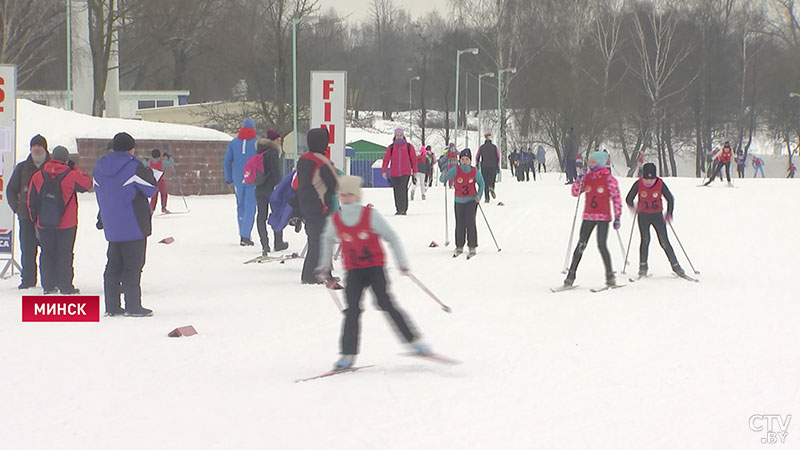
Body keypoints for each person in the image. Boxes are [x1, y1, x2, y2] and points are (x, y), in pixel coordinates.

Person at [316, 175, 430, 370]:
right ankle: (347, 354)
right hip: (353, 272)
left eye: (350, 194)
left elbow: (391, 236)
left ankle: (415, 343)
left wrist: (402, 262)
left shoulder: (370, 215)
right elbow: (326, 239)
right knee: (352, 311)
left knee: (385, 303)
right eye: (342, 195)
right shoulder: (336, 218)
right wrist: (324, 266)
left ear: (357, 195)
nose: (345, 198)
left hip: (375, 268)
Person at [94, 132, 158, 317]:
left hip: (112, 223)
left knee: (113, 264)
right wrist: (148, 171)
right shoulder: (133, 166)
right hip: (133, 224)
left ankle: (112, 305)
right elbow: (151, 189)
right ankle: (133, 306)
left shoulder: (100, 166)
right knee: (133, 265)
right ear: (131, 148)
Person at [26, 146, 92, 294]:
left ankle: (48, 285)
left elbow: (31, 200)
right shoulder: (71, 175)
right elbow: (87, 184)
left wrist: (35, 220)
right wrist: (74, 167)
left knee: (47, 252)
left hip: (44, 222)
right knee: (65, 253)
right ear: (66, 159)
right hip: (67, 223)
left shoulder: (38, 175)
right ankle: (65, 285)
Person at [562, 151, 622, 288]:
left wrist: (617, 216)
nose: (590, 164)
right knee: (581, 245)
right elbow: (575, 192)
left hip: (603, 217)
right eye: (589, 161)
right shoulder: (587, 177)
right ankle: (570, 276)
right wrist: (579, 178)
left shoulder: (609, 179)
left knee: (602, 245)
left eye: (593, 162)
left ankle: (610, 276)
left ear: (600, 163)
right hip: (588, 216)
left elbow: (616, 199)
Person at [624, 162, 685, 278]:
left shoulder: (660, 184)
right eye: (646, 178)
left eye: (651, 179)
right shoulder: (638, 184)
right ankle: (643, 267)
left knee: (664, 242)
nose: (649, 181)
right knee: (645, 240)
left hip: (657, 216)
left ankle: (676, 266)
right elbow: (628, 198)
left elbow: (670, 199)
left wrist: (669, 213)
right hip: (643, 216)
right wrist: (634, 207)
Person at [6, 134, 50, 289]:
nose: (36, 149)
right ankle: (28, 280)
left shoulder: (52, 166)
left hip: (48, 217)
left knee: (49, 250)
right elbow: (11, 190)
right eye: (34, 146)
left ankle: (49, 281)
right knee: (28, 249)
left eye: (39, 146)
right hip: (26, 216)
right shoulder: (22, 168)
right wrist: (17, 208)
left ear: (45, 148)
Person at [297, 128, 339, 284]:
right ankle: (310, 275)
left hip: (305, 203)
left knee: (315, 239)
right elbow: (335, 184)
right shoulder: (323, 161)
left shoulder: (303, 159)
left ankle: (322, 272)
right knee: (320, 241)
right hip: (320, 205)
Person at [440, 149, 485, 258]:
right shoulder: (456, 170)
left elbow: (482, 183)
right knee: (460, 223)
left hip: (471, 200)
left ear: (470, 160)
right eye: (463, 159)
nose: (465, 161)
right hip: (459, 201)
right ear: (460, 160)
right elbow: (443, 179)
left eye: (467, 159)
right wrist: (444, 174)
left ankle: (472, 245)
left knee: (470, 222)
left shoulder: (474, 171)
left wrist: (479, 195)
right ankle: (459, 245)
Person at [224, 117, 259, 246]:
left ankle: (242, 233)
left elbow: (227, 161)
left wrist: (228, 178)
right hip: (253, 179)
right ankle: (245, 234)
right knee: (251, 206)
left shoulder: (233, 143)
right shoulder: (257, 142)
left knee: (240, 205)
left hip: (238, 178)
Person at [252, 131, 287, 256]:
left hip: (259, 188)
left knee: (261, 216)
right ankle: (278, 242)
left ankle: (265, 245)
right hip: (271, 189)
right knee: (277, 214)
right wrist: (281, 186)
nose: (279, 142)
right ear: (273, 141)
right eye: (278, 140)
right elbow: (275, 172)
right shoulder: (272, 152)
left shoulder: (260, 151)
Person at [381, 128, 418, 215]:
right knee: (396, 190)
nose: (399, 137)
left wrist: (415, 171)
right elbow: (386, 159)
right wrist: (384, 170)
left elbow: (414, 160)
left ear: (403, 136)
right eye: (397, 135)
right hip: (394, 173)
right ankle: (398, 209)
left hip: (406, 172)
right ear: (395, 136)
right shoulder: (391, 147)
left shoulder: (409, 147)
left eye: (400, 135)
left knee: (403, 189)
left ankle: (403, 209)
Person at [475, 133, 500, 202]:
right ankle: (491, 187)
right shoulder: (494, 147)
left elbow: (477, 156)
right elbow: (498, 157)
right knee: (492, 179)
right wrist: (497, 164)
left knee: (485, 181)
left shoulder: (481, 147)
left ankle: (487, 198)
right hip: (493, 166)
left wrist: (477, 164)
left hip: (484, 166)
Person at [148, 149, 173, 213]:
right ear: (159, 156)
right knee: (164, 193)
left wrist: (145, 160)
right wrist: (169, 156)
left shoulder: (149, 162)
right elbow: (171, 162)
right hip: (161, 180)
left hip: (153, 181)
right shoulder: (162, 162)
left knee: (154, 195)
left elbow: (143, 163)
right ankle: (163, 207)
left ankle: (151, 208)